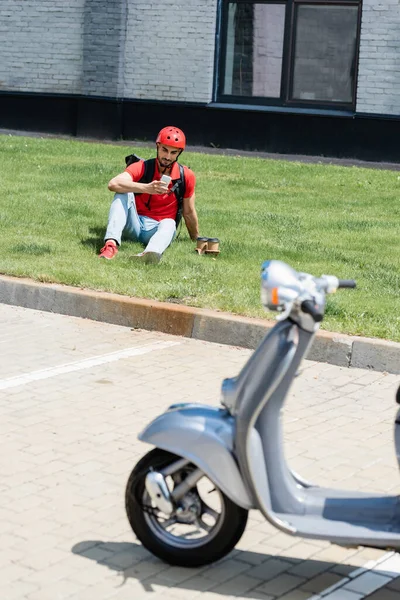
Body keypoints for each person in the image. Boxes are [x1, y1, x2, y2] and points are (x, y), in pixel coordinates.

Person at [99, 126, 199, 263]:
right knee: (122, 193)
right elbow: (113, 184)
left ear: (179, 153)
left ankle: (150, 254)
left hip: (158, 229)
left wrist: (195, 239)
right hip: (133, 225)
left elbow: (188, 212)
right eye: (164, 150)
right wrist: (146, 188)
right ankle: (110, 245)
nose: (167, 157)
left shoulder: (186, 176)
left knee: (170, 223)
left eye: (173, 152)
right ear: (157, 146)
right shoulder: (142, 166)